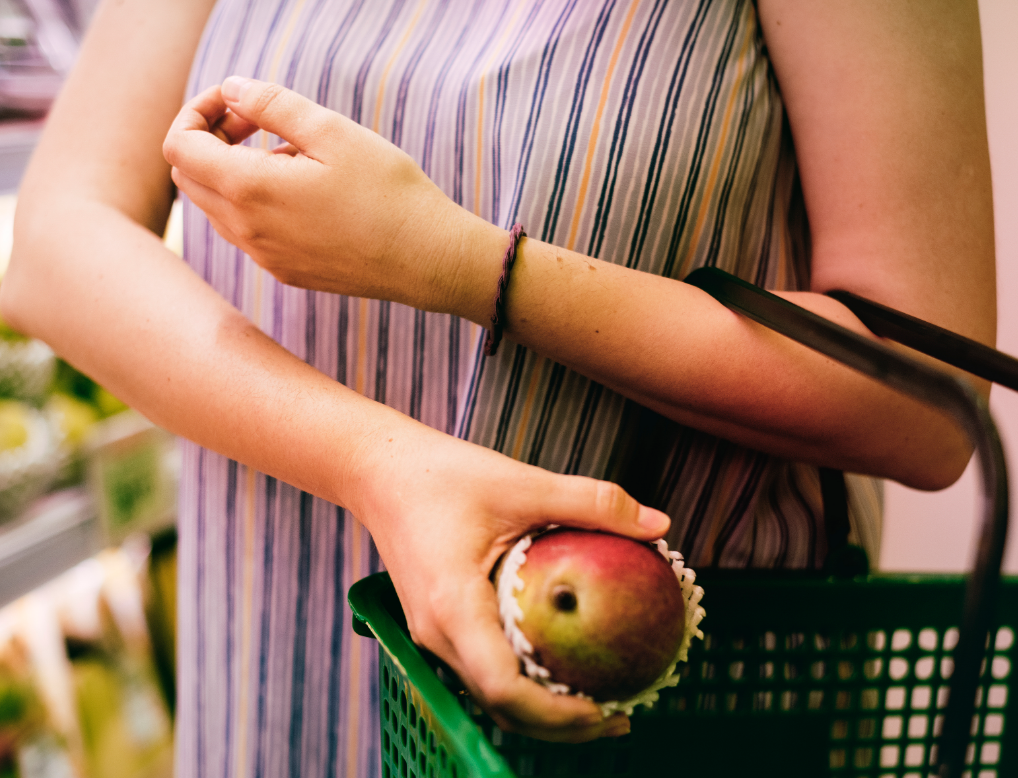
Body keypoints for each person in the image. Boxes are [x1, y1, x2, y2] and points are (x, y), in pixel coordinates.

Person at [0, 0, 996, 775]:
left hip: (658, 691)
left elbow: (923, 402)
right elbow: (57, 238)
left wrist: (457, 262)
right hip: (274, 660)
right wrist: (379, 465)